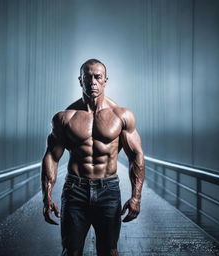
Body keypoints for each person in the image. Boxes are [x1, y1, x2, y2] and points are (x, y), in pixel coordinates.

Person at [41, 59, 145, 256]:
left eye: (97, 77)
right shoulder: (65, 117)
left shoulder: (121, 116)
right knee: (71, 251)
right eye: (87, 77)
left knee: (109, 250)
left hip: (108, 190)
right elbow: (52, 157)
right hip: (75, 190)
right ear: (80, 81)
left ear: (105, 80)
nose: (93, 82)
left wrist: (136, 197)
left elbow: (136, 156)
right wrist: (46, 198)